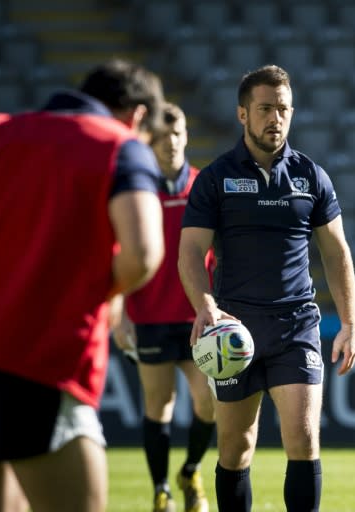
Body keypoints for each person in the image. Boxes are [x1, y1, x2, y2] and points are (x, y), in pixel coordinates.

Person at [178, 64, 355, 512]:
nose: (274, 118)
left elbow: (337, 253)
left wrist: (350, 323)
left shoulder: (311, 176)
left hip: (296, 325)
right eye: (264, 109)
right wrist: (204, 306)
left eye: (282, 109)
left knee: (303, 438)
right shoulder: (216, 178)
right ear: (243, 114)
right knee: (236, 447)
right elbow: (190, 252)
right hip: (234, 331)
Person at [0, 58, 166, 512]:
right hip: (40, 364)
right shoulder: (120, 145)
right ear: (139, 117)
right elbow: (144, 253)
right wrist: (103, 292)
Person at [112, 103, 215, 512]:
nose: (171, 142)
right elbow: (116, 251)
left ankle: (190, 471)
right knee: (159, 406)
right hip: (148, 315)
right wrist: (119, 314)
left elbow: (221, 254)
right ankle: (161, 491)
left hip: (197, 318)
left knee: (208, 403)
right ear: (149, 140)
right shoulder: (137, 192)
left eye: (178, 133)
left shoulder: (204, 186)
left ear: (186, 136)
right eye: (162, 135)